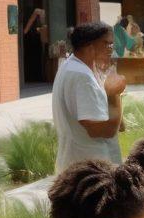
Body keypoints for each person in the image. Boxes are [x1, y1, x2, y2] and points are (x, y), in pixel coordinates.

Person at [52, 21, 125, 172]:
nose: (111, 49)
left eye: (112, 44)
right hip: (90, 170)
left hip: (86, 166)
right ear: (90, 46)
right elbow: (103, 130)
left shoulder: (76, 67)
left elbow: (119, 126)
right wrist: (113, 94)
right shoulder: (82, 76)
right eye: (107, 44)